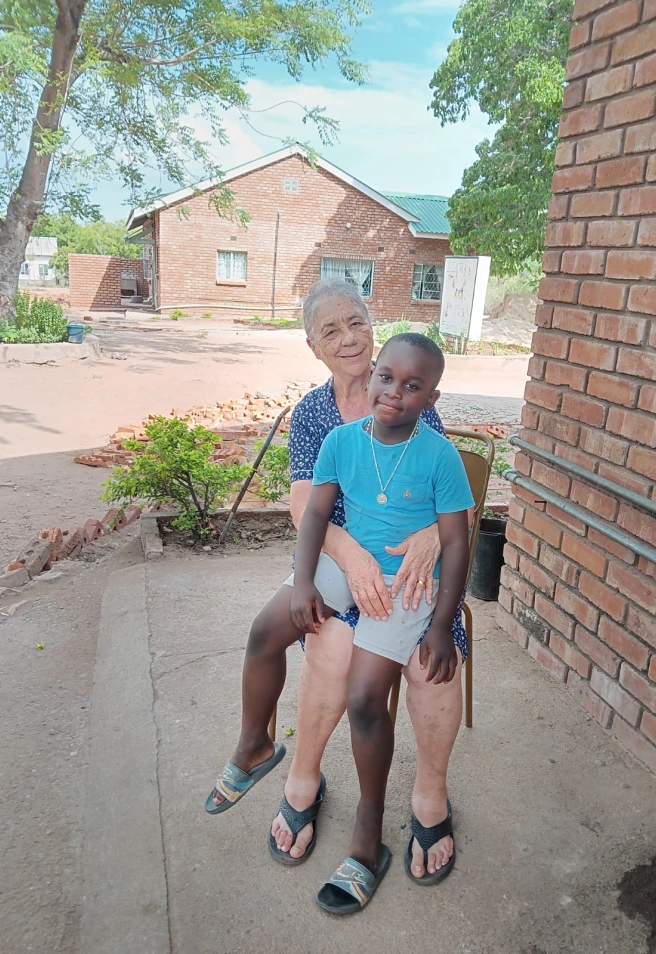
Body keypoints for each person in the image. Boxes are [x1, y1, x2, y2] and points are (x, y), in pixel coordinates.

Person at [206, 278, 471, 886]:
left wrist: (433, 537)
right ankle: (300, 776)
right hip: (335, 559)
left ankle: (430, 797)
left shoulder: (411, 387)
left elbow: (446, 496)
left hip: (408, 565)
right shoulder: (315, 415)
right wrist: (348, 554)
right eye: (331, 331)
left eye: (356, 322)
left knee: (432, 664)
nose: (349, 339)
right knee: (323, 640)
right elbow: (306, 505)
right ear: (312, 347)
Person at [290, 333, 473, 913]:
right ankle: (298, 776)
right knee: (330, 656)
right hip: (352, 580)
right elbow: (313, 512)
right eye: (386, 378)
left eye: (411, 385)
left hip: (410, 589)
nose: (393, 391)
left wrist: (443, 622)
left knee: (382, 687)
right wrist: (305, 584)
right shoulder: (336, 435)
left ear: (431, 397)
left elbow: (458, 536)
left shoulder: (436, 451)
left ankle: (387, 826)